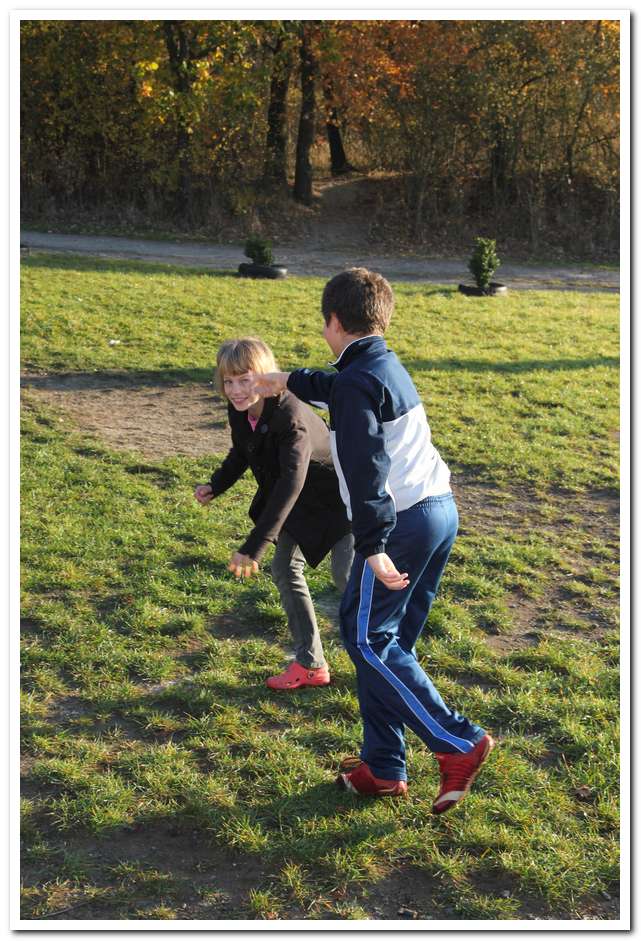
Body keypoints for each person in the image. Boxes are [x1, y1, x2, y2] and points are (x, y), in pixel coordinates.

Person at [252, 269, 494, 813]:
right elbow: (338, 384)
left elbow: (366, 470)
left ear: (333, 321)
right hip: (438, 511)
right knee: (388, 647)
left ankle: (458, 742)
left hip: (401, 523)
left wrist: (374, 545)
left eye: (324, 323)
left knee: (365, 640)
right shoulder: (376, 364)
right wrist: (286, 378)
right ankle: (383, 767)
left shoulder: (358, 381)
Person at [194, 337, 354, 691]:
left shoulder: (289, 416)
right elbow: (242, 451)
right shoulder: (241, 408)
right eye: (228, 381)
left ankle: (389, 656)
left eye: (244, 380)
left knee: (348, 579)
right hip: (298, 503)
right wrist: (217, 484)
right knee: (285, 568)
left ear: (267, 378)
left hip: (339, 501)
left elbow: (289, 484)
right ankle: (311, 664)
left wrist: (255, 545)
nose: (235, 390)